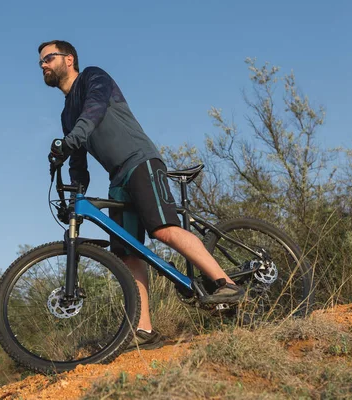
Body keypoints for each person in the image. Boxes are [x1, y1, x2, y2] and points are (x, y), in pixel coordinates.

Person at [38, 40, 244, 350]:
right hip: (117, 177)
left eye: (48, 58)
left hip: (140, 161)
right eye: (40, 61)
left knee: (162, 228)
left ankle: (224, 283)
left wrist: (71, 140)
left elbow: (94, 110)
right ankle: (144, 329)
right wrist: (72, 194)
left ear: (69, 60)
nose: (43, 65)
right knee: (126, 251)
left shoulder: (94, 77)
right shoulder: (68, 115)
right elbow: (79, 163)